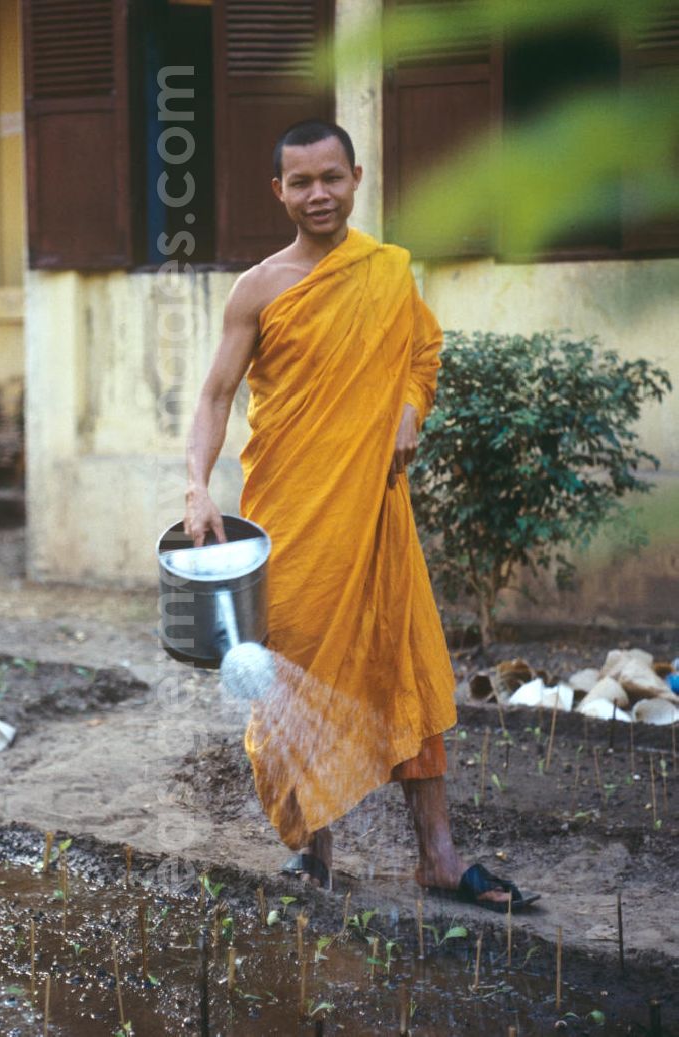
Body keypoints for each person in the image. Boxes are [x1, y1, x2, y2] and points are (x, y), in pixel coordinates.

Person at [183, 120, 537, 911]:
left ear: (357, 177)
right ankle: (314, 850)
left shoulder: (386, 272)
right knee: (293, 675)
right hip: (295, 518)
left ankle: (438, 856)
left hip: (376, 512)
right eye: (301, 181)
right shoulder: (260, 288)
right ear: (278, 191)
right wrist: (196, 486)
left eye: (332, 178)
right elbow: (214, 396)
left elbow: (423, 352)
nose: (319, 194)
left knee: (403, 660)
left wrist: (413, 407)